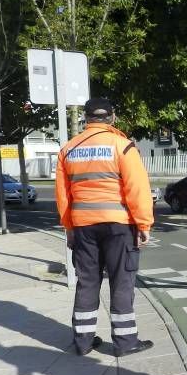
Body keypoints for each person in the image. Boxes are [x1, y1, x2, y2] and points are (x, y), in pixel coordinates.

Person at [56, 98, 154, 357]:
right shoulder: (122, 146)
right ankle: (124, 342)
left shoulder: (68, 149)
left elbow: (63, 196)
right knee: (122, 282)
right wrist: (144, 223)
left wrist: (69, 228)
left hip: (83, 227)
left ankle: (83, 341)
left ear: (85, 119)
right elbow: (137, 189)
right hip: (119, 226)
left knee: (86, 282)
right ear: (112, 117)